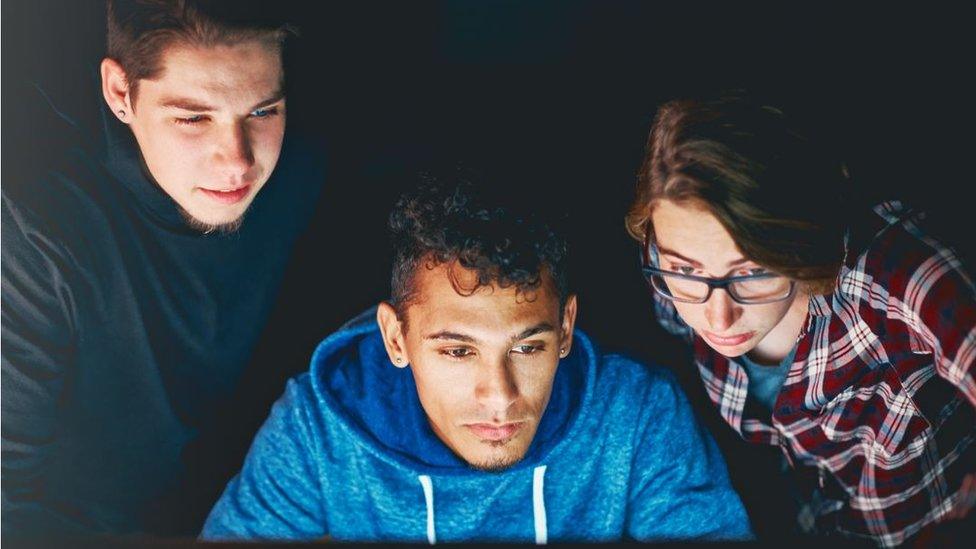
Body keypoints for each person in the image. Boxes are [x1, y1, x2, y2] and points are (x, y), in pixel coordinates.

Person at [200, 175, 752, 542]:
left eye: (528, 347)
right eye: (458, 351)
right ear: (396, 339)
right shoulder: (317, 428)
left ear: (565, 329)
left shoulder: (637, 415)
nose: (500, 395)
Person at [1, 0, 323, 536]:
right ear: (120, 94)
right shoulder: (36, 231)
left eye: (263, 112)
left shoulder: (305, 167)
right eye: (193, 118)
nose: (238, 160)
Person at [625, 93, 976, 547]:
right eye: (687, 271)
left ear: (797, 235)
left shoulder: (898, 272)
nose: (718, 318)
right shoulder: (668, 264)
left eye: (751, 272)